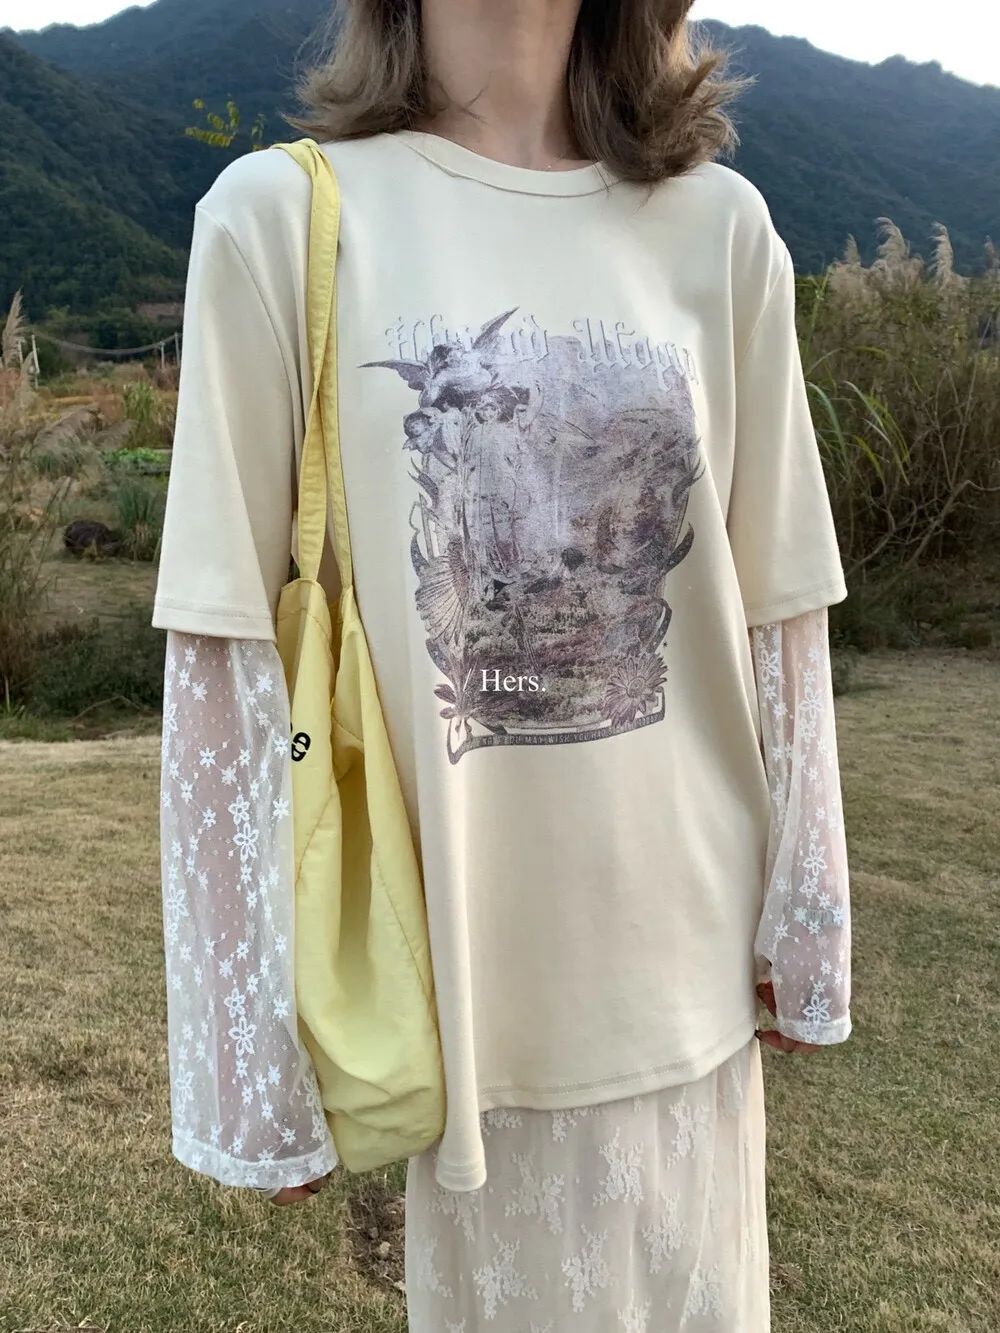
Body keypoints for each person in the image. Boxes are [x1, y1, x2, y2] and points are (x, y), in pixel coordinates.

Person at [152, 0, 853, 1327]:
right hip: (459, 997)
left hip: (689, 992)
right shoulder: (281, 222)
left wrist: (805, 919)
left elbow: (780, 613)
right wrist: (250, 1062)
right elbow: (224, 651)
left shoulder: (720, 229)